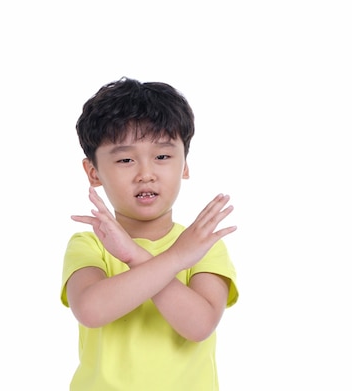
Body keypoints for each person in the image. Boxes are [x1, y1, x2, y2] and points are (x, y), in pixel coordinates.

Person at [60, 77, 239, 391]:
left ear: (184, 165)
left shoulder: (202, 246)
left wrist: (139, 257)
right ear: (93, 173)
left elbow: (198, 326)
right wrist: (173, 259)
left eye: (163, 156)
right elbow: (91, 310)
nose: (146, 173)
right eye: (125, 159)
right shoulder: (89, 244)